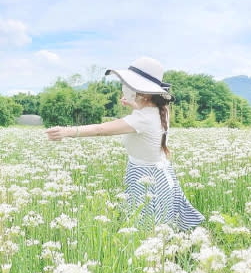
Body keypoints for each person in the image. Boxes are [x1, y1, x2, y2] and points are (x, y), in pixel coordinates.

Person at [45, 57, 204, 231]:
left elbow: (101, 129)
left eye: (129, 84)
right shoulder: (161, 111)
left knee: (148, 227)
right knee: (159, 223)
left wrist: (67, 132)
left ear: (143, 92)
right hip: (160, 175)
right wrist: (135, 105)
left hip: (147, 178)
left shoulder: (142, 118)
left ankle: (159, 258)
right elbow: (146, 118)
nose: (125, 87)